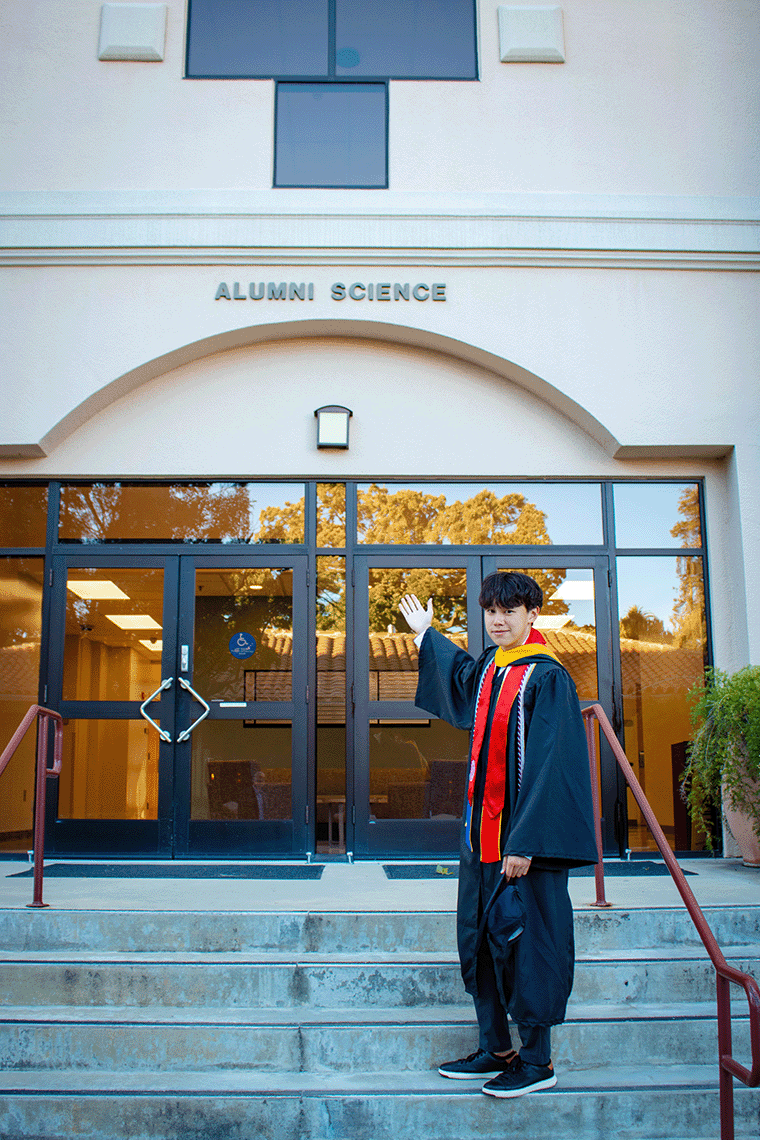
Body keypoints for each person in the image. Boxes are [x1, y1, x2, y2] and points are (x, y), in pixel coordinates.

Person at [398, 572, 598, 1099]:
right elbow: (459, 678)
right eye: (491, 611)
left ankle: (537, 1061)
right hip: (481, 841)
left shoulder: (547, 677)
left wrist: (525, 841)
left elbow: (554, 765)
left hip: (522, 846)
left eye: (510, 610)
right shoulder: (492, 666)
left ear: (534, 614)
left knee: (531, 946)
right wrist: (427, 636)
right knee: (481, 941)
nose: (498, 619)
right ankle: (496, 1048)